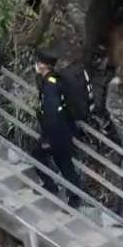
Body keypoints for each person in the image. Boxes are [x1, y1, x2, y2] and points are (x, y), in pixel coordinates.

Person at [32, 49, 86, 207]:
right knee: (64, 162)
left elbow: (52, 112)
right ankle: (70, 194)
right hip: (64, 129)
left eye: (38, 63)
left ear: (43, 66)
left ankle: (60, 190)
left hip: (56, 132)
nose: (36, 65)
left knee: (47, 157)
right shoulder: (56, 79)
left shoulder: (50, 85)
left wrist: (47, 138)